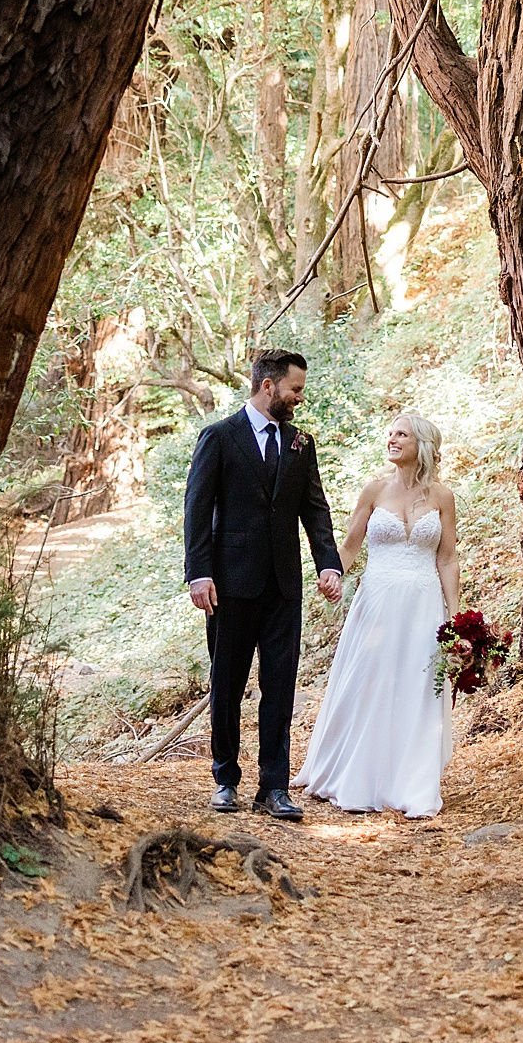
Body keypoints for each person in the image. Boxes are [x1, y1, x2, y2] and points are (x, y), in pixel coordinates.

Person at [182, 350, 343, 820]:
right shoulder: (219, 437)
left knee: (280, 686)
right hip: (227, 585)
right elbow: (196, 509)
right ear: (268, 386)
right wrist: (199, 572)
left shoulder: (301, 443)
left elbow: (315, 509)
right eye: (294, 389)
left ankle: (273, 788)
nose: (299, 398)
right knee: (227, 683)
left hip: (283, 587)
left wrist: (327, 564)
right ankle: (225, 779)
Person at [295, 411, 459, 819]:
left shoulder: (442, 497)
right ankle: (357, 773)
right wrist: (333, 574)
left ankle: (411, 783)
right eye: (389, 433)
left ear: (421, 444)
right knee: (368, 682)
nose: (392, 439)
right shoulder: (374, 491)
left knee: (417, 687)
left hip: (423, 604)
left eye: (401, 434)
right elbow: (350, 546)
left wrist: (455, 620)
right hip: (378, 601)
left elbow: (448, 559)